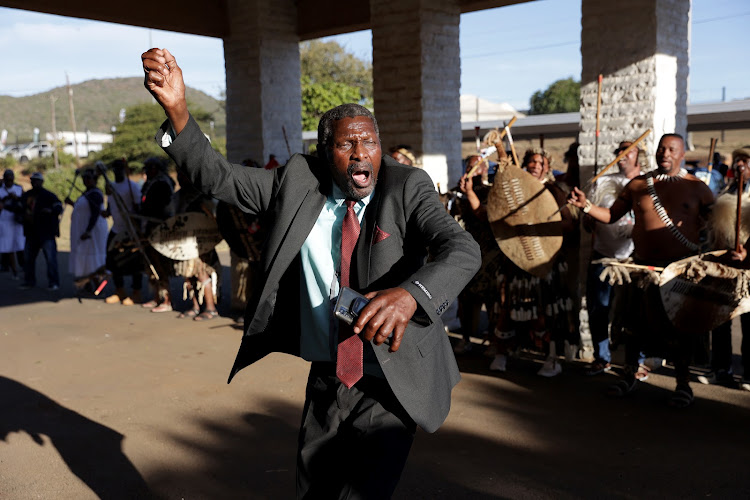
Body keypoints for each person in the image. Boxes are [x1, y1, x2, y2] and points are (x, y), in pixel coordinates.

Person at [142, 47, 480, 498]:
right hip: (329, 371)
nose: (361, 154)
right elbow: (218, 179)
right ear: (326, 152)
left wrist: (409, 295)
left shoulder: (407, 186)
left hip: (392, 377)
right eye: (346, 144)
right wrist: (178, 110)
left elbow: (461, 249)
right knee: (313, 490)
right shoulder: (297, 180)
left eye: (370, 142)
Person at [569, 134, 715, 408]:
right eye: (662, 148)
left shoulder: (698, 188)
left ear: (682, 154)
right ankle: (629, 375)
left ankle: (683, 383)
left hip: (678, 271)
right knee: (634, 326)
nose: (665, 153)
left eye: (672, 149)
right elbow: (611, 216)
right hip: (641, 268)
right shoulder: (638, 185)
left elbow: (716, 225)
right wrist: (586, 206)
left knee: (680, 329)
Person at [489, 148, 579, 375]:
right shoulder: (511, 188)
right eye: (531, 162)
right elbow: (494, 217)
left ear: (547, 167)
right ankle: (502, 354)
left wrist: (541, 229)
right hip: (514, 259)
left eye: (541, 163)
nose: (536, 166)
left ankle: (551, 359)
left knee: (546, 311)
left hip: (545, 260)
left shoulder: (554, 191)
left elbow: (567, 224)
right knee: (506, 308)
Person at [584, 141, 641, 375]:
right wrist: (587, 218)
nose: (622, 155)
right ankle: (601, 357)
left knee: (633, 313)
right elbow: (590, 219)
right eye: (619, 151)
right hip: (603, 256)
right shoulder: (603, 181)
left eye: (629, 151)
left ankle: (635, 361)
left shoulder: (645, 183)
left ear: (639, 155)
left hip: (633, 259)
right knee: (598, 309)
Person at [700, 147, 750, 389]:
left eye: (747, 161)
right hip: (723, 266)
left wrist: (747, 253)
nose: (741, 165)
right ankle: (721, 370)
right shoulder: (724, 191)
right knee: (719, 320)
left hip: (747, 269)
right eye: (738, 160)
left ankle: (748, 374)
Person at [454, 153, 503, 355]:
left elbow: (485, 215)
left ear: (484, 169)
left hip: (490, 253)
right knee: (466, 299)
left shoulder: (492, 192)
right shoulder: (457, 193)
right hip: (467, 252)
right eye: (469, 166)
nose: (472, 170)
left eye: (477, 167)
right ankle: (466, 338)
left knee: (493, 299)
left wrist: (471, 193)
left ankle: (493, 340)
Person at [172, 170, 221, 321]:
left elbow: (212, 217)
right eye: (179, 175)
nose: (181, 178)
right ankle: (195, 306)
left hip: (200, 244)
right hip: (184, 243)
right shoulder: (178, 196)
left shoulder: (202, 194)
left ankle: (211, 308)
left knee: (202, 274)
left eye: (183, 175)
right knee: (188, 275)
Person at [103, 159, 143, 305]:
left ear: (124, 170)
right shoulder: (111, 187)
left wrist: (137, 230)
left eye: (120, 169)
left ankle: (136, 293)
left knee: (134, 261)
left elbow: (138, 208)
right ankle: (119, 291)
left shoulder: (132, 187)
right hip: (115, 229)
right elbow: (110, 206)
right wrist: (106, 212)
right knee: (112, 260)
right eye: (115, 169)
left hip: (130, 230)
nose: (117, 172)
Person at [139, 156, 175, 312]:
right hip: (149, 228)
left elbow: (161, 208)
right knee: (151, 264)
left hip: (159, 229)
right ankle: (156, 297)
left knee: (160, 265)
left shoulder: (163, 184)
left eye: (150, 168)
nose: (147, 171)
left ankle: (166, 300)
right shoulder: (151, 183)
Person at [65, 168, 109, 291]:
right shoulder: (87, 193)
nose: (86, 180)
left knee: (92, 258)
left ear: (94, 180)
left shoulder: (95, 193)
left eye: (88, 178)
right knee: (84, 257)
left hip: (92, 232)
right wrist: (72, 204)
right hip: (83, 230)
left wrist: (88, 231)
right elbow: (84, 210)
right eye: (84, 178)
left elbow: (95, 214)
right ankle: (87, 284)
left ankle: (97, 286)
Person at [18, 172, 62, 291]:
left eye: (37, 180)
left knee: (50, 259)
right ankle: (29, 281)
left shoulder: (49, 195)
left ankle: (53, 282)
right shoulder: (27, 195)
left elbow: (58, 207)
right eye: (33, 180)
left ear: (42, 182)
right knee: (28, 259)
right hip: (31, 232)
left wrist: (51, 211)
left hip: (46, 233)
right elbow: (19, 207)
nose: (34, 182)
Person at [0, 169, 25, 279]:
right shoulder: (0, 190)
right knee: (8, 246)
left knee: (20, 244)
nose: (9, 181)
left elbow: (24, 202)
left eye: (11, 179)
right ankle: (14, 270)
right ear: (4, 179)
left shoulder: (19, 189)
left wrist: (17, 198)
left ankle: (24, 267)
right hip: (5, 219)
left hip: (17, 220)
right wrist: (6, 198)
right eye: (7, 179)